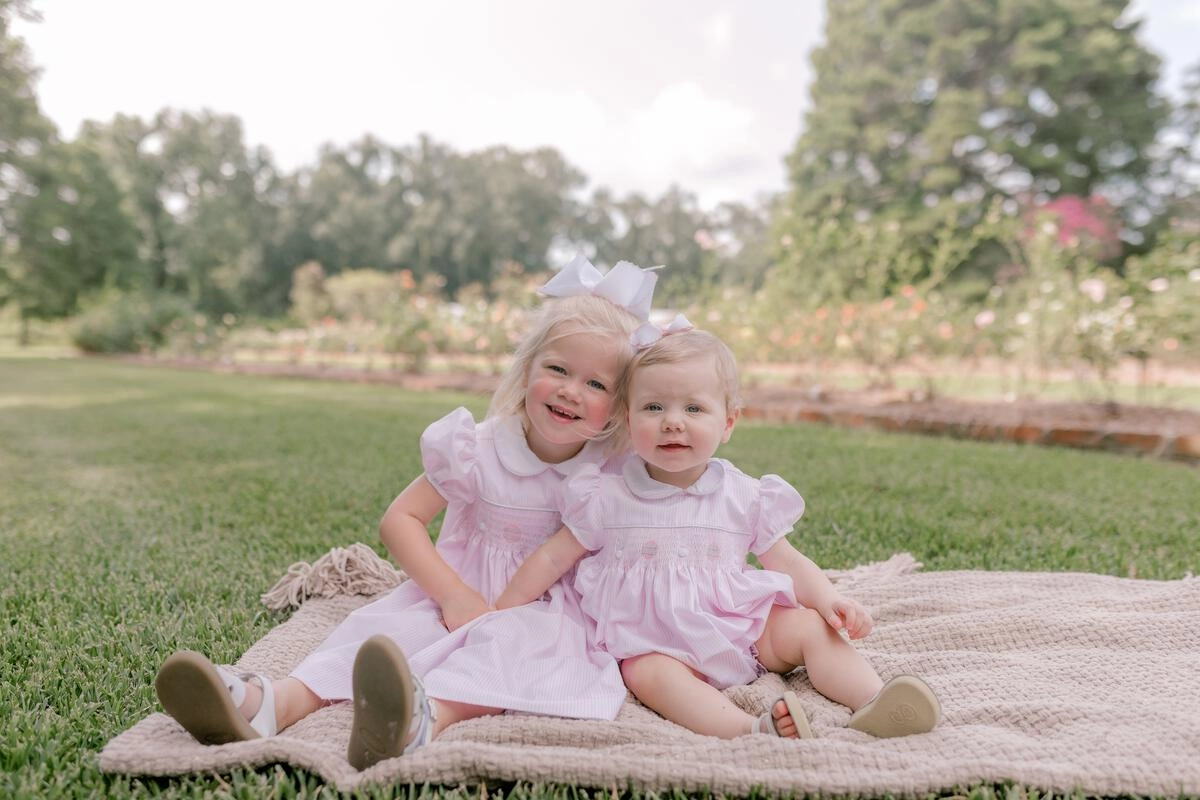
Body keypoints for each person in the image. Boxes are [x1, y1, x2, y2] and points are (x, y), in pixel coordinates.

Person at [154, 257, 659, 769]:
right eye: (558, 369)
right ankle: (273, 703)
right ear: (527, 368)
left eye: (597, 385)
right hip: (452, 589)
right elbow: (401, 520)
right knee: (388, 636)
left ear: (621, 406)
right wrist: (452, 594)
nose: (572, 390)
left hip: (547, 611)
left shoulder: (607, 473)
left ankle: (422, 721)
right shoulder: (478, 447)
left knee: (509, 652)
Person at [495, 319, 941, 740]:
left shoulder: (743, 494)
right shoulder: (606, 497)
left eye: (694, 408)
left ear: (727, 423)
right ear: (628, 420)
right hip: (658, 642)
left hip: (742, 628)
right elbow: (553, 556)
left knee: (808, 627)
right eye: (653, 407)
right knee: (646, 674)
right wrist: (501, 612)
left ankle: (876, 701)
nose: (673, 421)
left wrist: (828, 599)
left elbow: (785, 560)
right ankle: (749, 729)